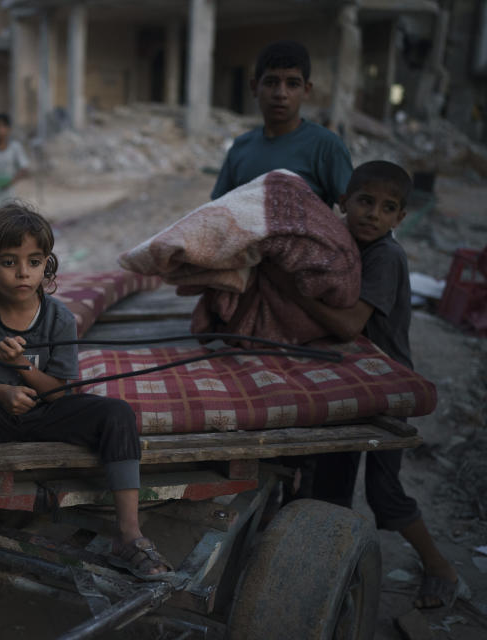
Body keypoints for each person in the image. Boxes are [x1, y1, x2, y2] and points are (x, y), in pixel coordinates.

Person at [0, 204, 171, 580]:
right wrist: (2, 393)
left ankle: (128, 534)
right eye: (9, 262)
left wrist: (23, 368)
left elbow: (61, 394)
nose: (23, 272)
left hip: (47, 414)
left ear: (46, 265)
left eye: (34, 261)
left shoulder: (59, 318)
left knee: (117, 414)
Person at [264, 161, 470, 610]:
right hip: (346, 381)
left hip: (386, 386)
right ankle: (319, 567)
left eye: (387, 207)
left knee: (384, 493)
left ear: (400, 218)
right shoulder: (342, 243)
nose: (373, 214)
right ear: (344, 203)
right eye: (365, 201)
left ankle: (441, 568)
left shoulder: (385, 256)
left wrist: (293, 291)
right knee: (323, 478)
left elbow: (348, 324)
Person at [211, 40, 352, 209]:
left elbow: (354, 210)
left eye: (292, 84)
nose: (281, 93)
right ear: (255, 87)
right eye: (271, 82)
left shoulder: (326, 147)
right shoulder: (241, 147)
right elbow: (218, 212)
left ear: (306, 90)